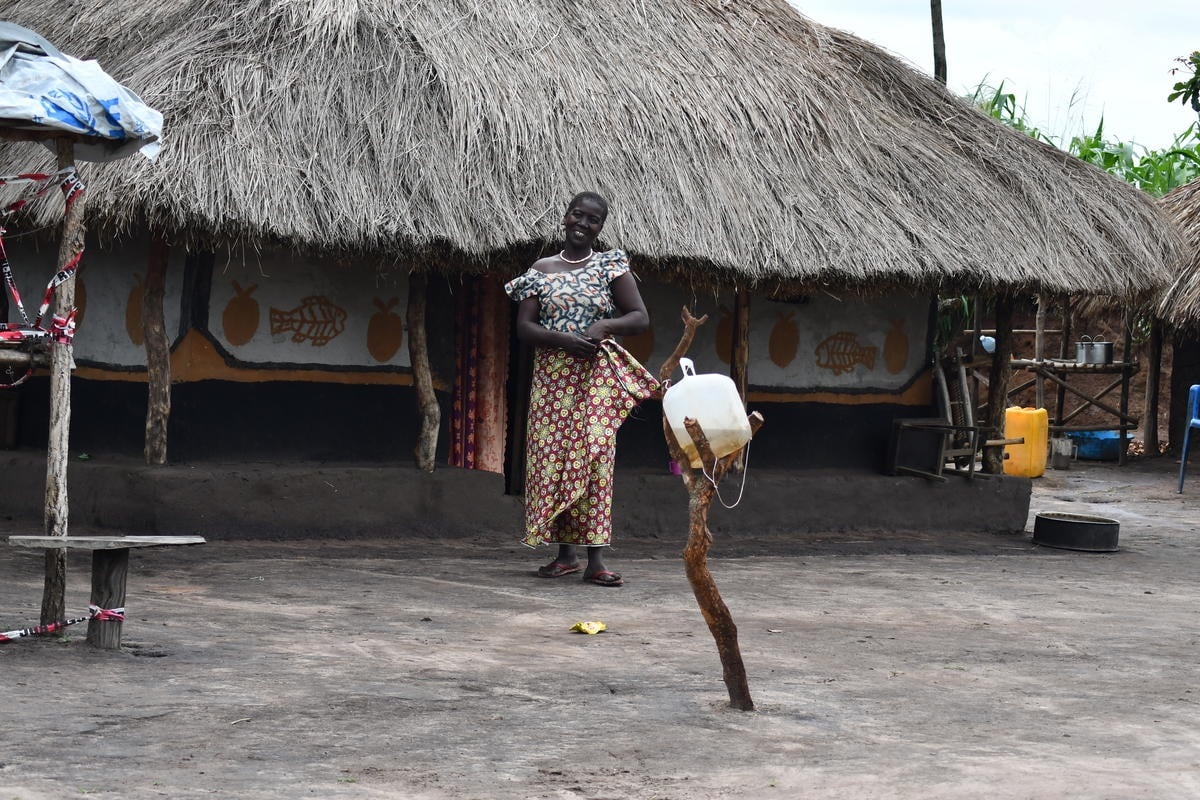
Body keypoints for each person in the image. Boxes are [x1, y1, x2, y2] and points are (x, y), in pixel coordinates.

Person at [503, 191, 659, 587]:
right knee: (555, 460)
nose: (582, 224)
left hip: (594, 379)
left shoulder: (610, 265)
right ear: (566, 217)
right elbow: (524, 328)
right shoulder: (541, 269)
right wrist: (563, 339)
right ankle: (565, 555)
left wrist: (605, 327)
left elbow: (640, 317)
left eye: (592, 220)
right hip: (553, 380)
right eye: (577, 215)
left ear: (600, 227)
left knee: (593, 459)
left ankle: (596, 560)